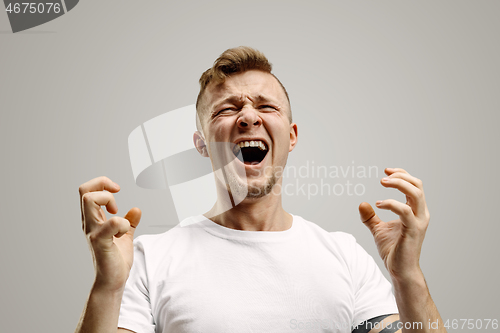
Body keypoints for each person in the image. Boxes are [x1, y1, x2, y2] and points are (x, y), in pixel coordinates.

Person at [75, 46, 447, 333]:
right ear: (202, 145)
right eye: (227, 109)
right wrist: (107, 287)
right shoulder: (149, 258)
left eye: (266, 106)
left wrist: (407, 275)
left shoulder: (345, 257)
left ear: (291, 135)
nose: (249, 117)